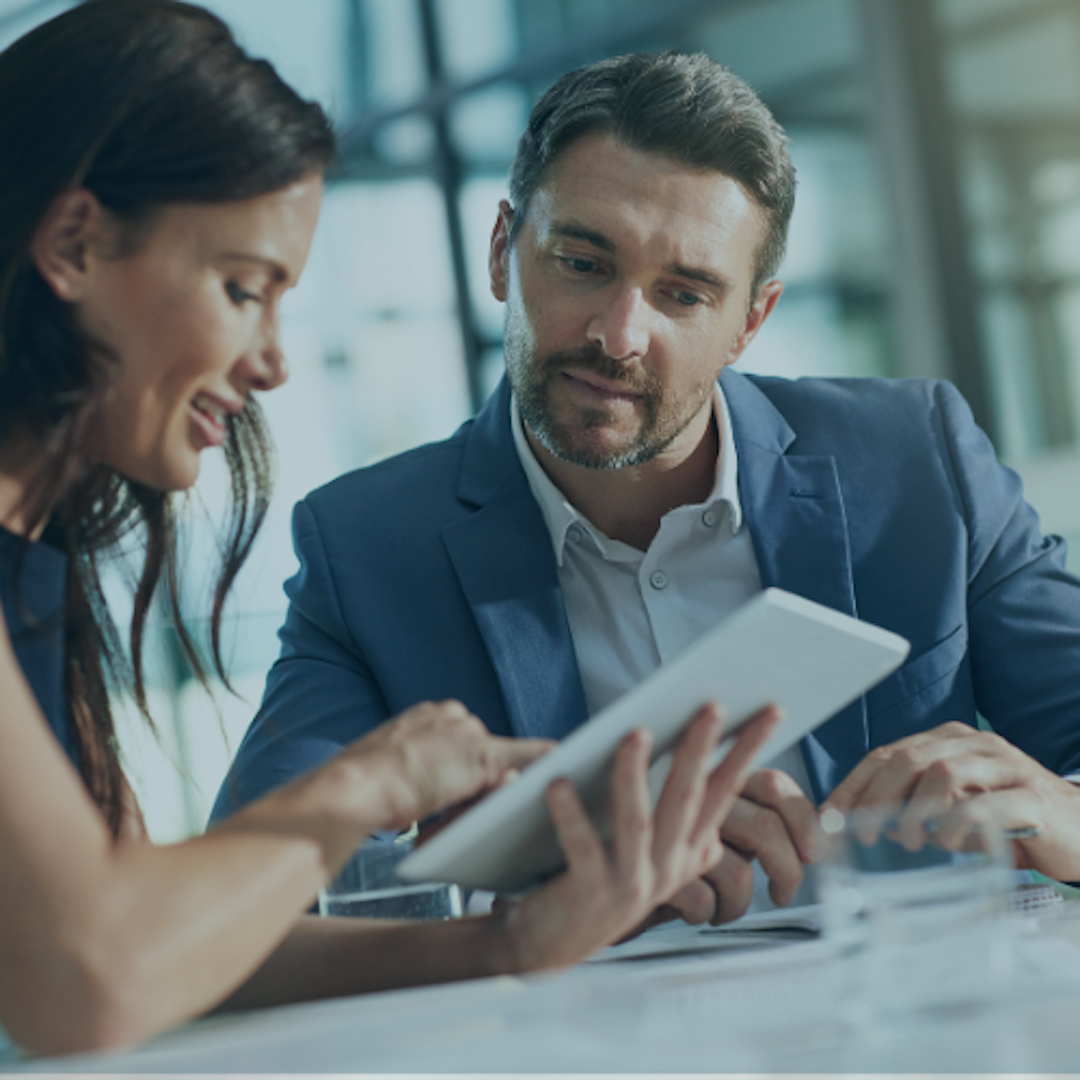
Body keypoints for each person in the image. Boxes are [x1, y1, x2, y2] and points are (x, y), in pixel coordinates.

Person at [0, 4, 781, 1058]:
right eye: (242, 289)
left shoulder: (33, 557)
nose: (274, 362)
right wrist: (370, 784)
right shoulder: (356, 546)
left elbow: (161, 945)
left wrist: (509, 946)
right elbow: (89, 976)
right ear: (74, 242)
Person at [212, 49, 1080, 916]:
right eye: (584, 264)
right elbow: (252, 897)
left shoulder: (916, 465)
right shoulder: (368, 547)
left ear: (750, 321)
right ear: (502, 254)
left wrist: (1068, 813)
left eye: (685, 294)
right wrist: (547, 877)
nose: (621, 334)